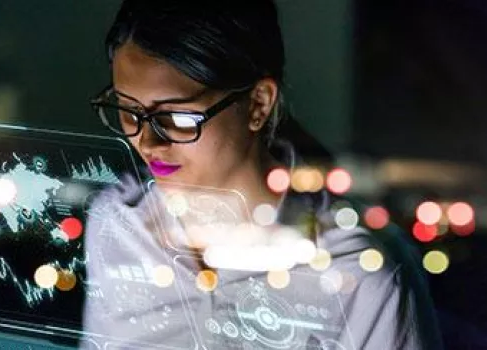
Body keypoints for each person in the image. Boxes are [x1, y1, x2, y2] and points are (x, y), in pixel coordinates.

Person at [82, 1, 443, 349]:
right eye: (128, 112)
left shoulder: (357, 273)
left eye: (177, 117)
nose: (147, 142)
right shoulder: (116, 226)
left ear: (257, 104)